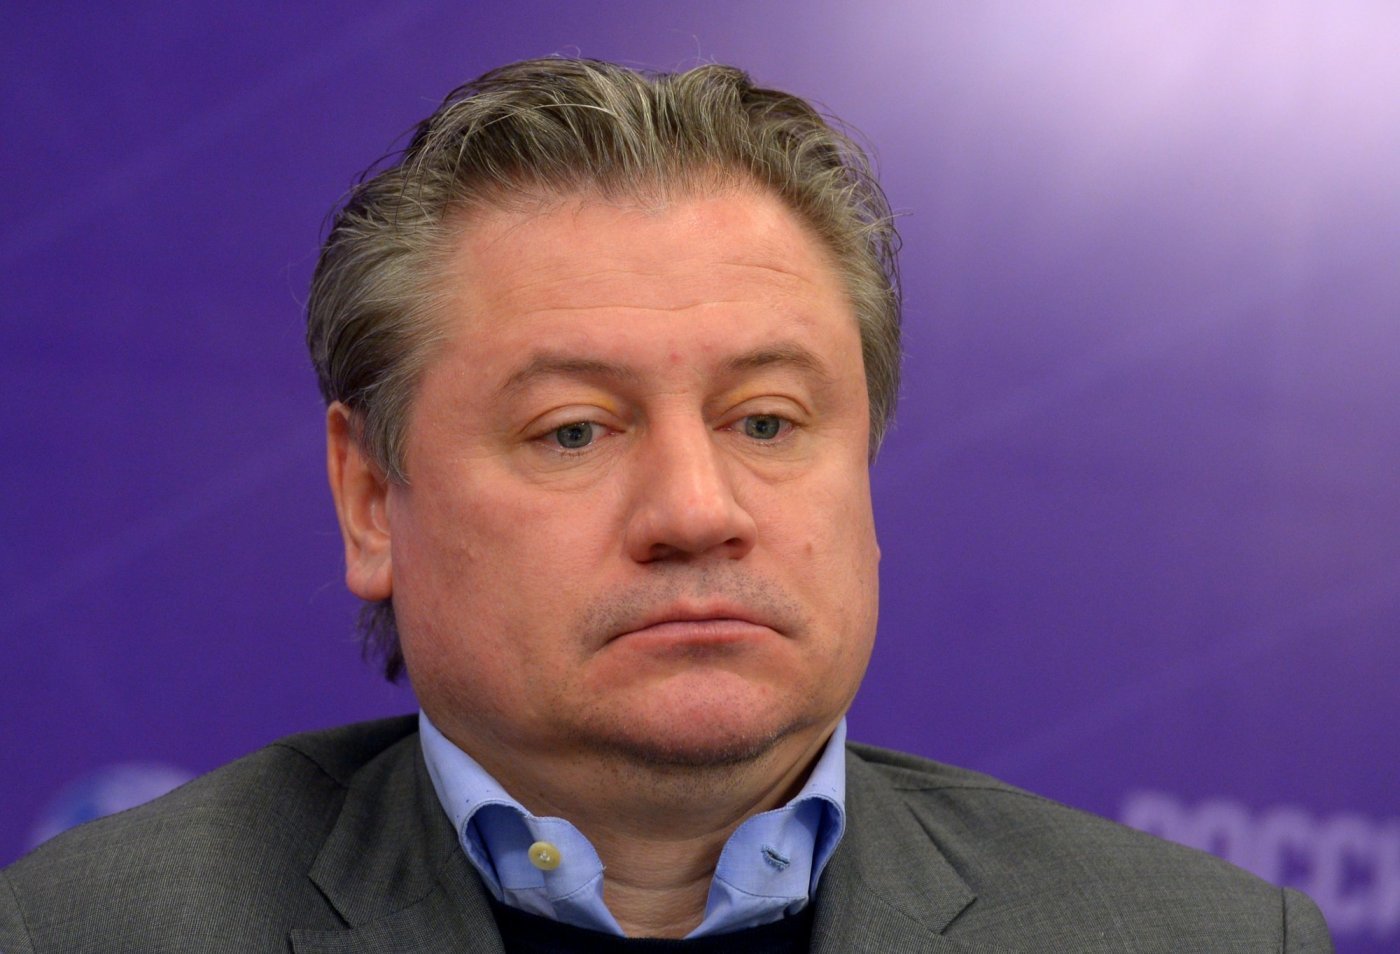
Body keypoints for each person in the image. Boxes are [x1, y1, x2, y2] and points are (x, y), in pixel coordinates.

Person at [0, 58, 1332, 953]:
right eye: (574, 430)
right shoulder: (86, 931)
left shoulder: (1202, 939)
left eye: (767, 422)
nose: (698, 510)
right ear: (369, 500)